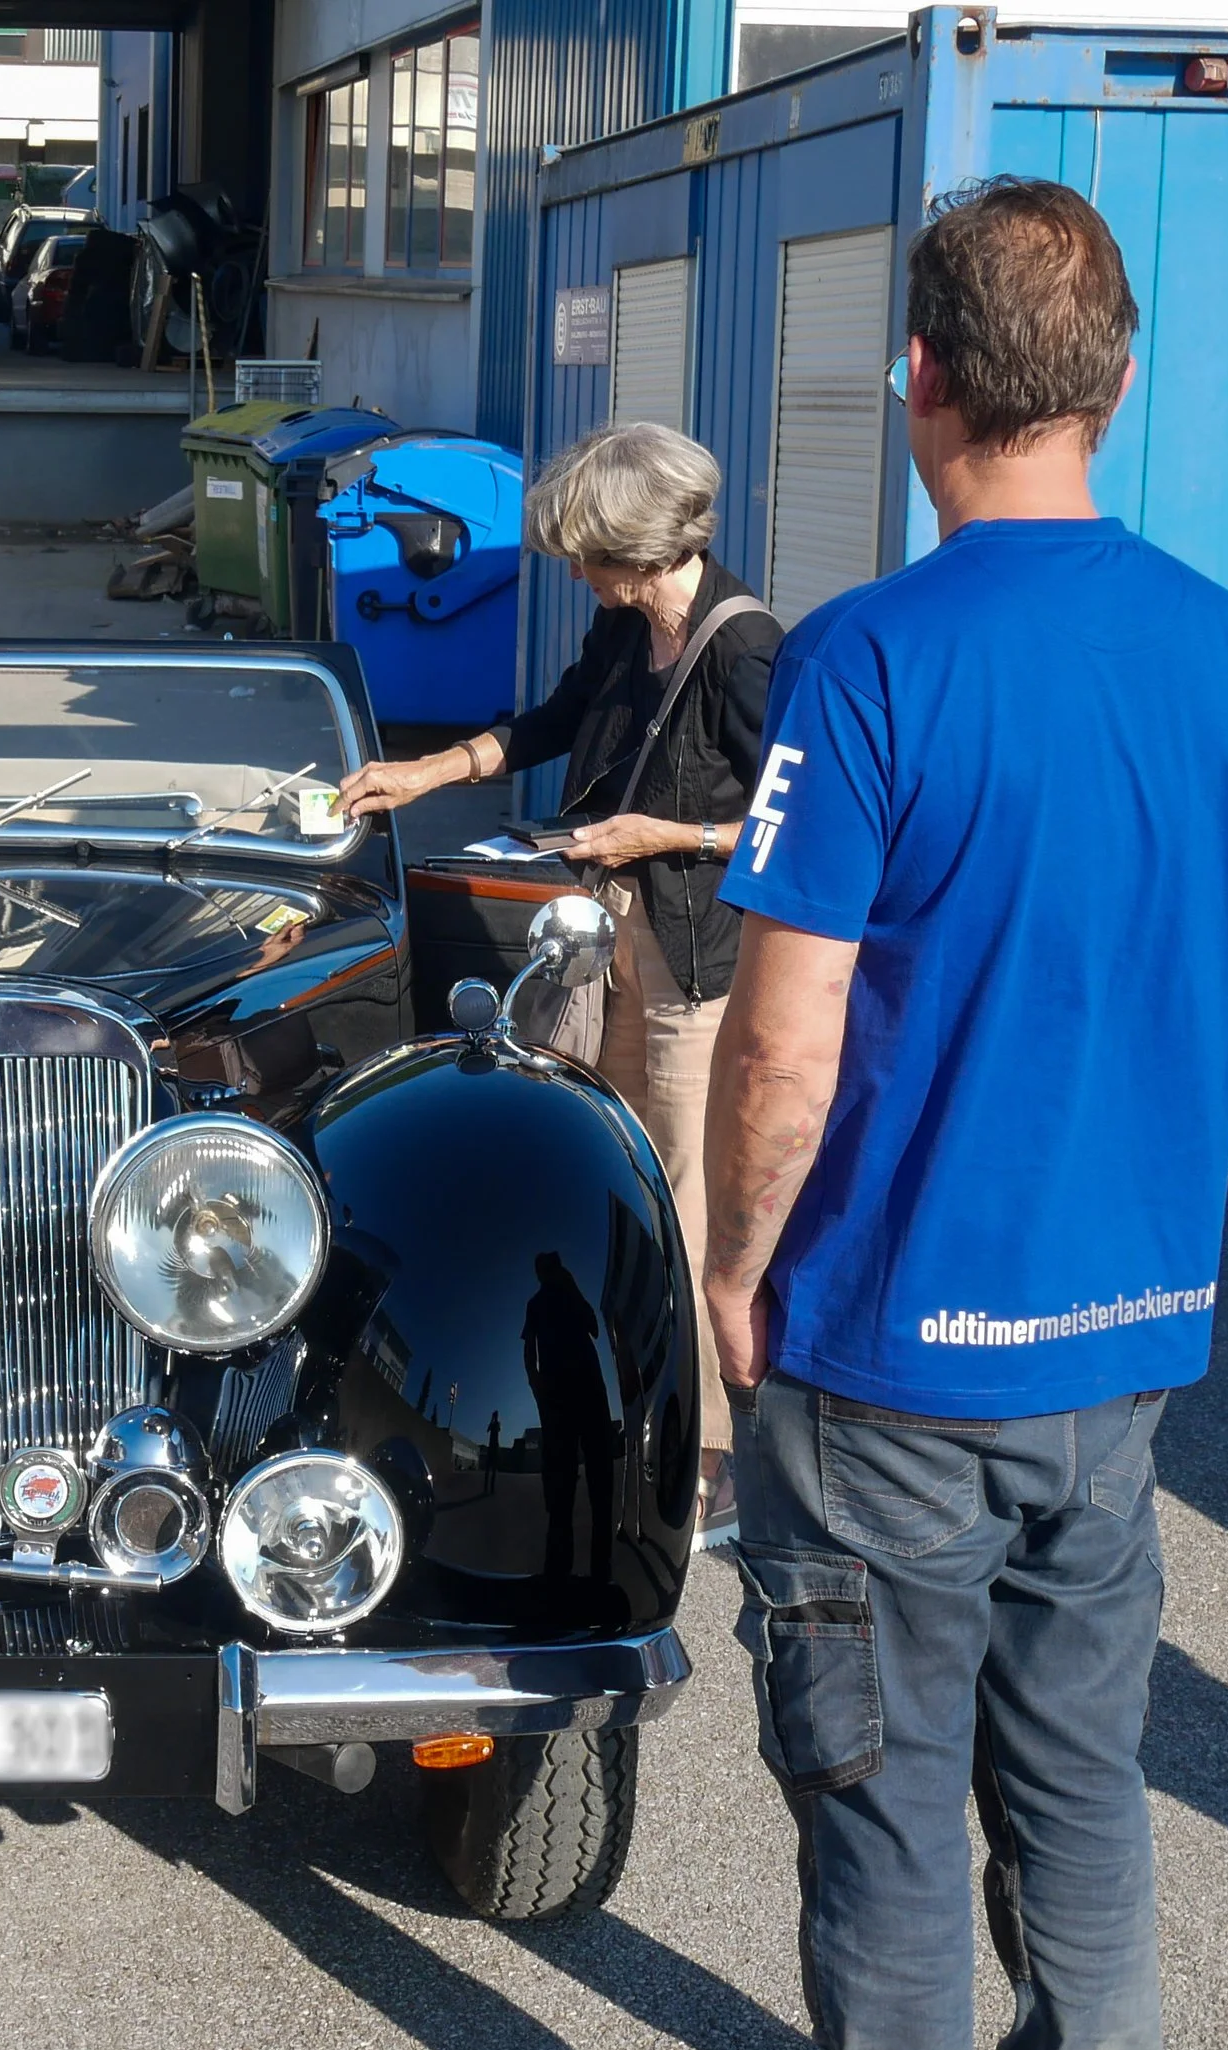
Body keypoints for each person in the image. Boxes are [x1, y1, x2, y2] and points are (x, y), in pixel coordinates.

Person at [701, 178, 1228, 2050]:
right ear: (1114, 384)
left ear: (919, 382)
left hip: (887, 1342)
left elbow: (783, 1029)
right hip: (1121, 1335)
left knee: (880, 1785)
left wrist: (733, 1263)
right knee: (1077, 1769)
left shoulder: (866, 661)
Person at [339, 422, 781, 1538]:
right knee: (603, 1167)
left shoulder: (744, 650)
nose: (577, 576)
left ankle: (709, 1462)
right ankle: (625, 1405)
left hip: (696, 963)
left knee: (681, 1202)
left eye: (586, 557)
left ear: (637, 549)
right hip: (617, 934)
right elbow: (546, 722)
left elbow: (800, 818)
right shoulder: (630, 627)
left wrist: (658, 834)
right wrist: (427, 770)